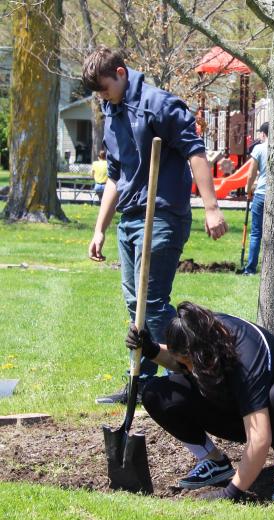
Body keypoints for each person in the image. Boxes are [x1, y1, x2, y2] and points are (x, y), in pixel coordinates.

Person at [82, 46, 229, 404]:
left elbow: (195, 151)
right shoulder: (112, 110)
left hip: (162, 214)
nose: (102, 96)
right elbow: (115, 175)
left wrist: (212, 207)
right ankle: (141, 381)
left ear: (120, 72)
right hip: (130, 217)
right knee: (136, 303)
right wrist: (99, 228)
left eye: (104, 87)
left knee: (153, 302)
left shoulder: (158, 105)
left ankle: (190, 368)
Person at [127, 301, 274, 502]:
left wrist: (231, 493)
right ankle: (213, 461)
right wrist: (150, 349)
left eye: (191, 362)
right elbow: (181, 361)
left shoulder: (247, 357)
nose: (190, 369)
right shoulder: (202, 334)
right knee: (156, 392)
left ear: (203, 351)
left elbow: (260, 438)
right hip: (234, 411)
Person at [241, 122, 274, 276]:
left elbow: (251, 173)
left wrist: (248, 188)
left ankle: (250, 268)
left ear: (264, 134)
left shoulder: (258, 149)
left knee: (256, 233)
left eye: (259, 133)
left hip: (261, 194)